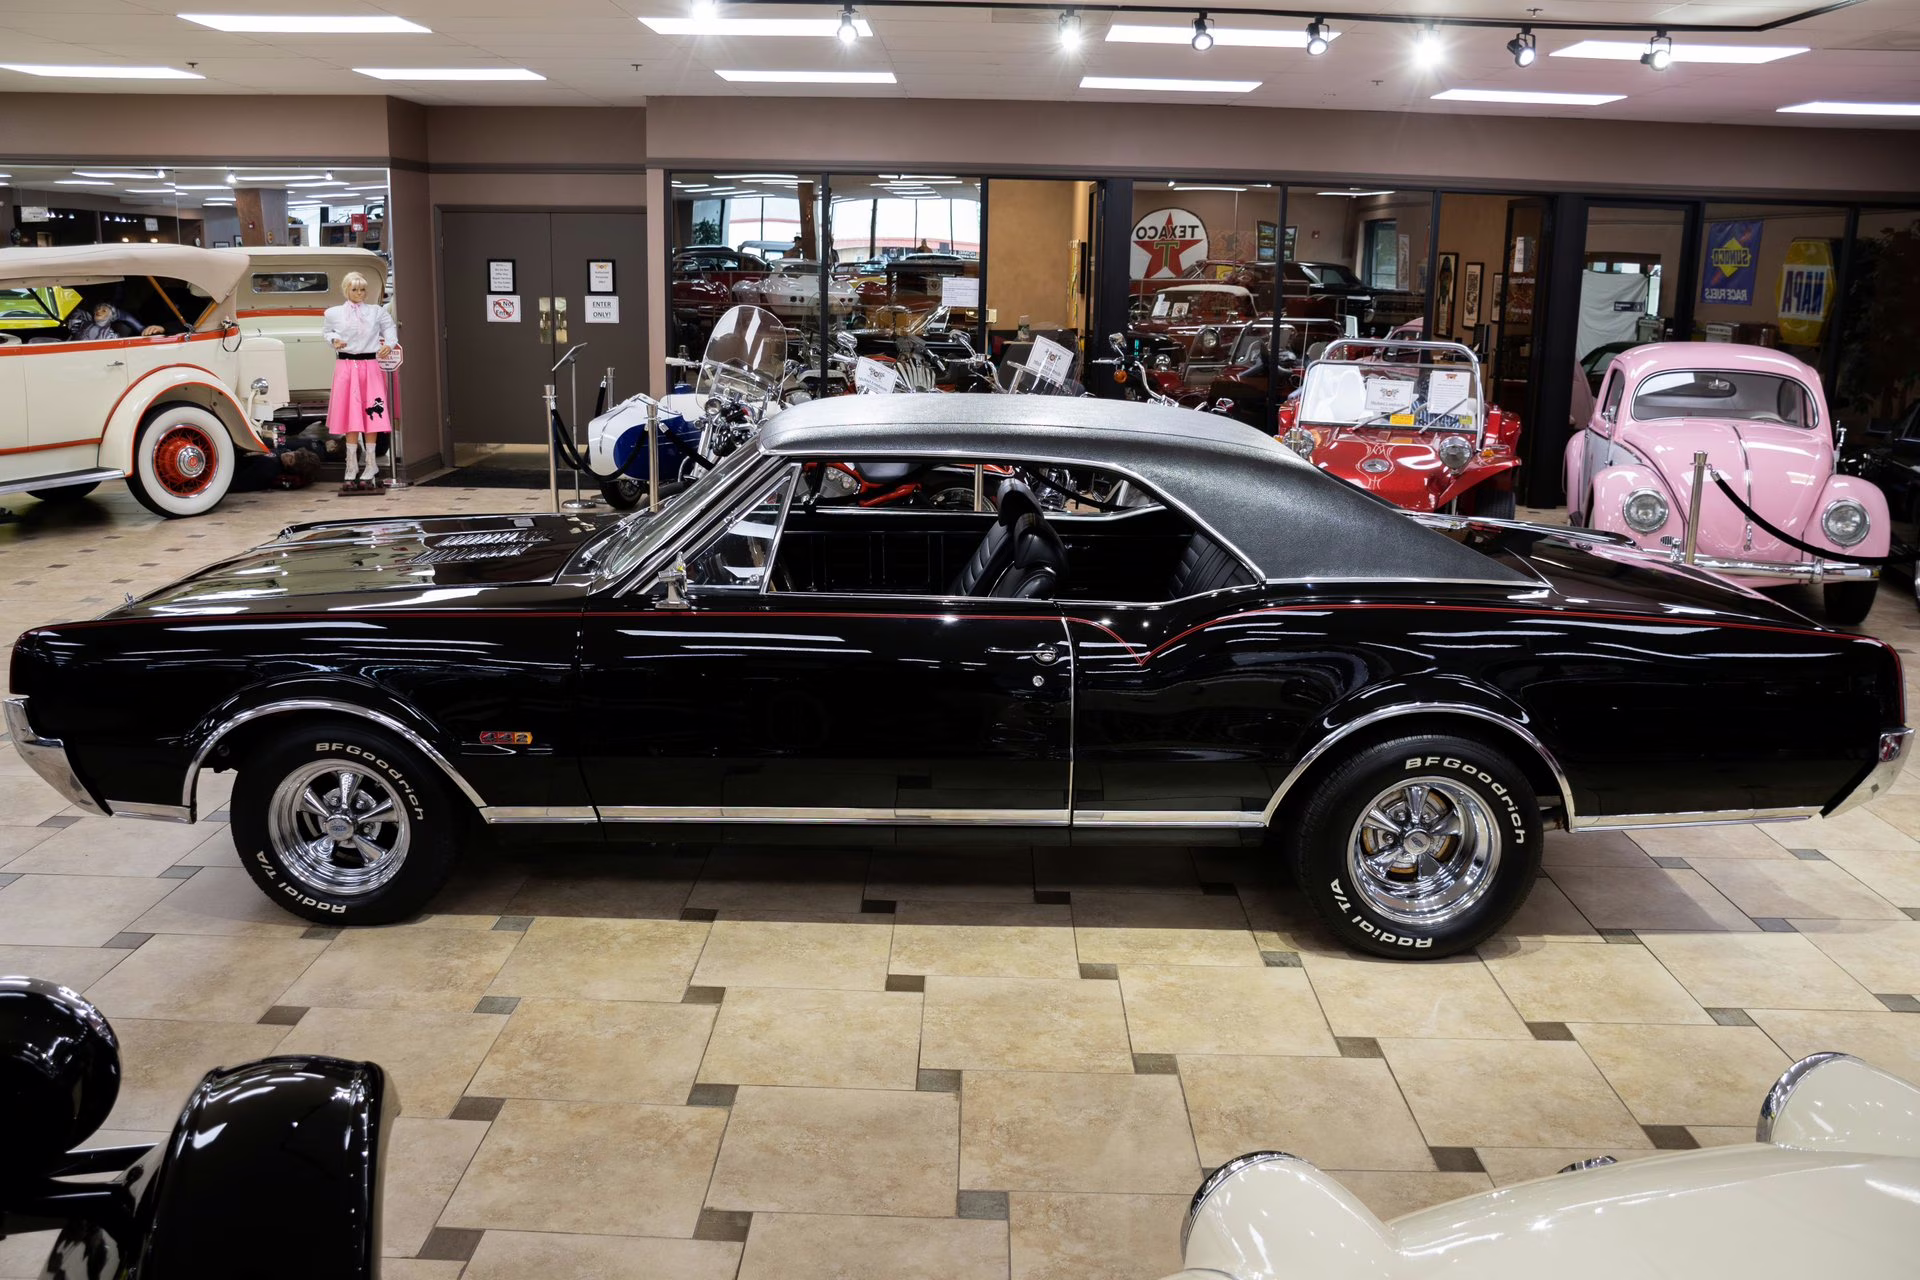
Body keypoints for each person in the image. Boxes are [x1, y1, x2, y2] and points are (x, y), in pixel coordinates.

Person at [322, 271, 398, 493]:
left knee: (371, 414)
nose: (359, 293)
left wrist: (390, 344)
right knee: (350, 415)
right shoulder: (334, 313)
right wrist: (333, 340)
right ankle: (351, 464)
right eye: (355, 289)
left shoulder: (377, 312)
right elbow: (326, 332)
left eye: (363, 289)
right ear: (347, 290)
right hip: (346, 367)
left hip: (370, 367)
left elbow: (391, 330)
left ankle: (371, 464)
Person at [72, 302, 162, 340]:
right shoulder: (85, 323)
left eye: (104, 310)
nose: (98, 311)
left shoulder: (110, 336)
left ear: (111, 316)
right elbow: (74, 328)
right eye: (97, 309)